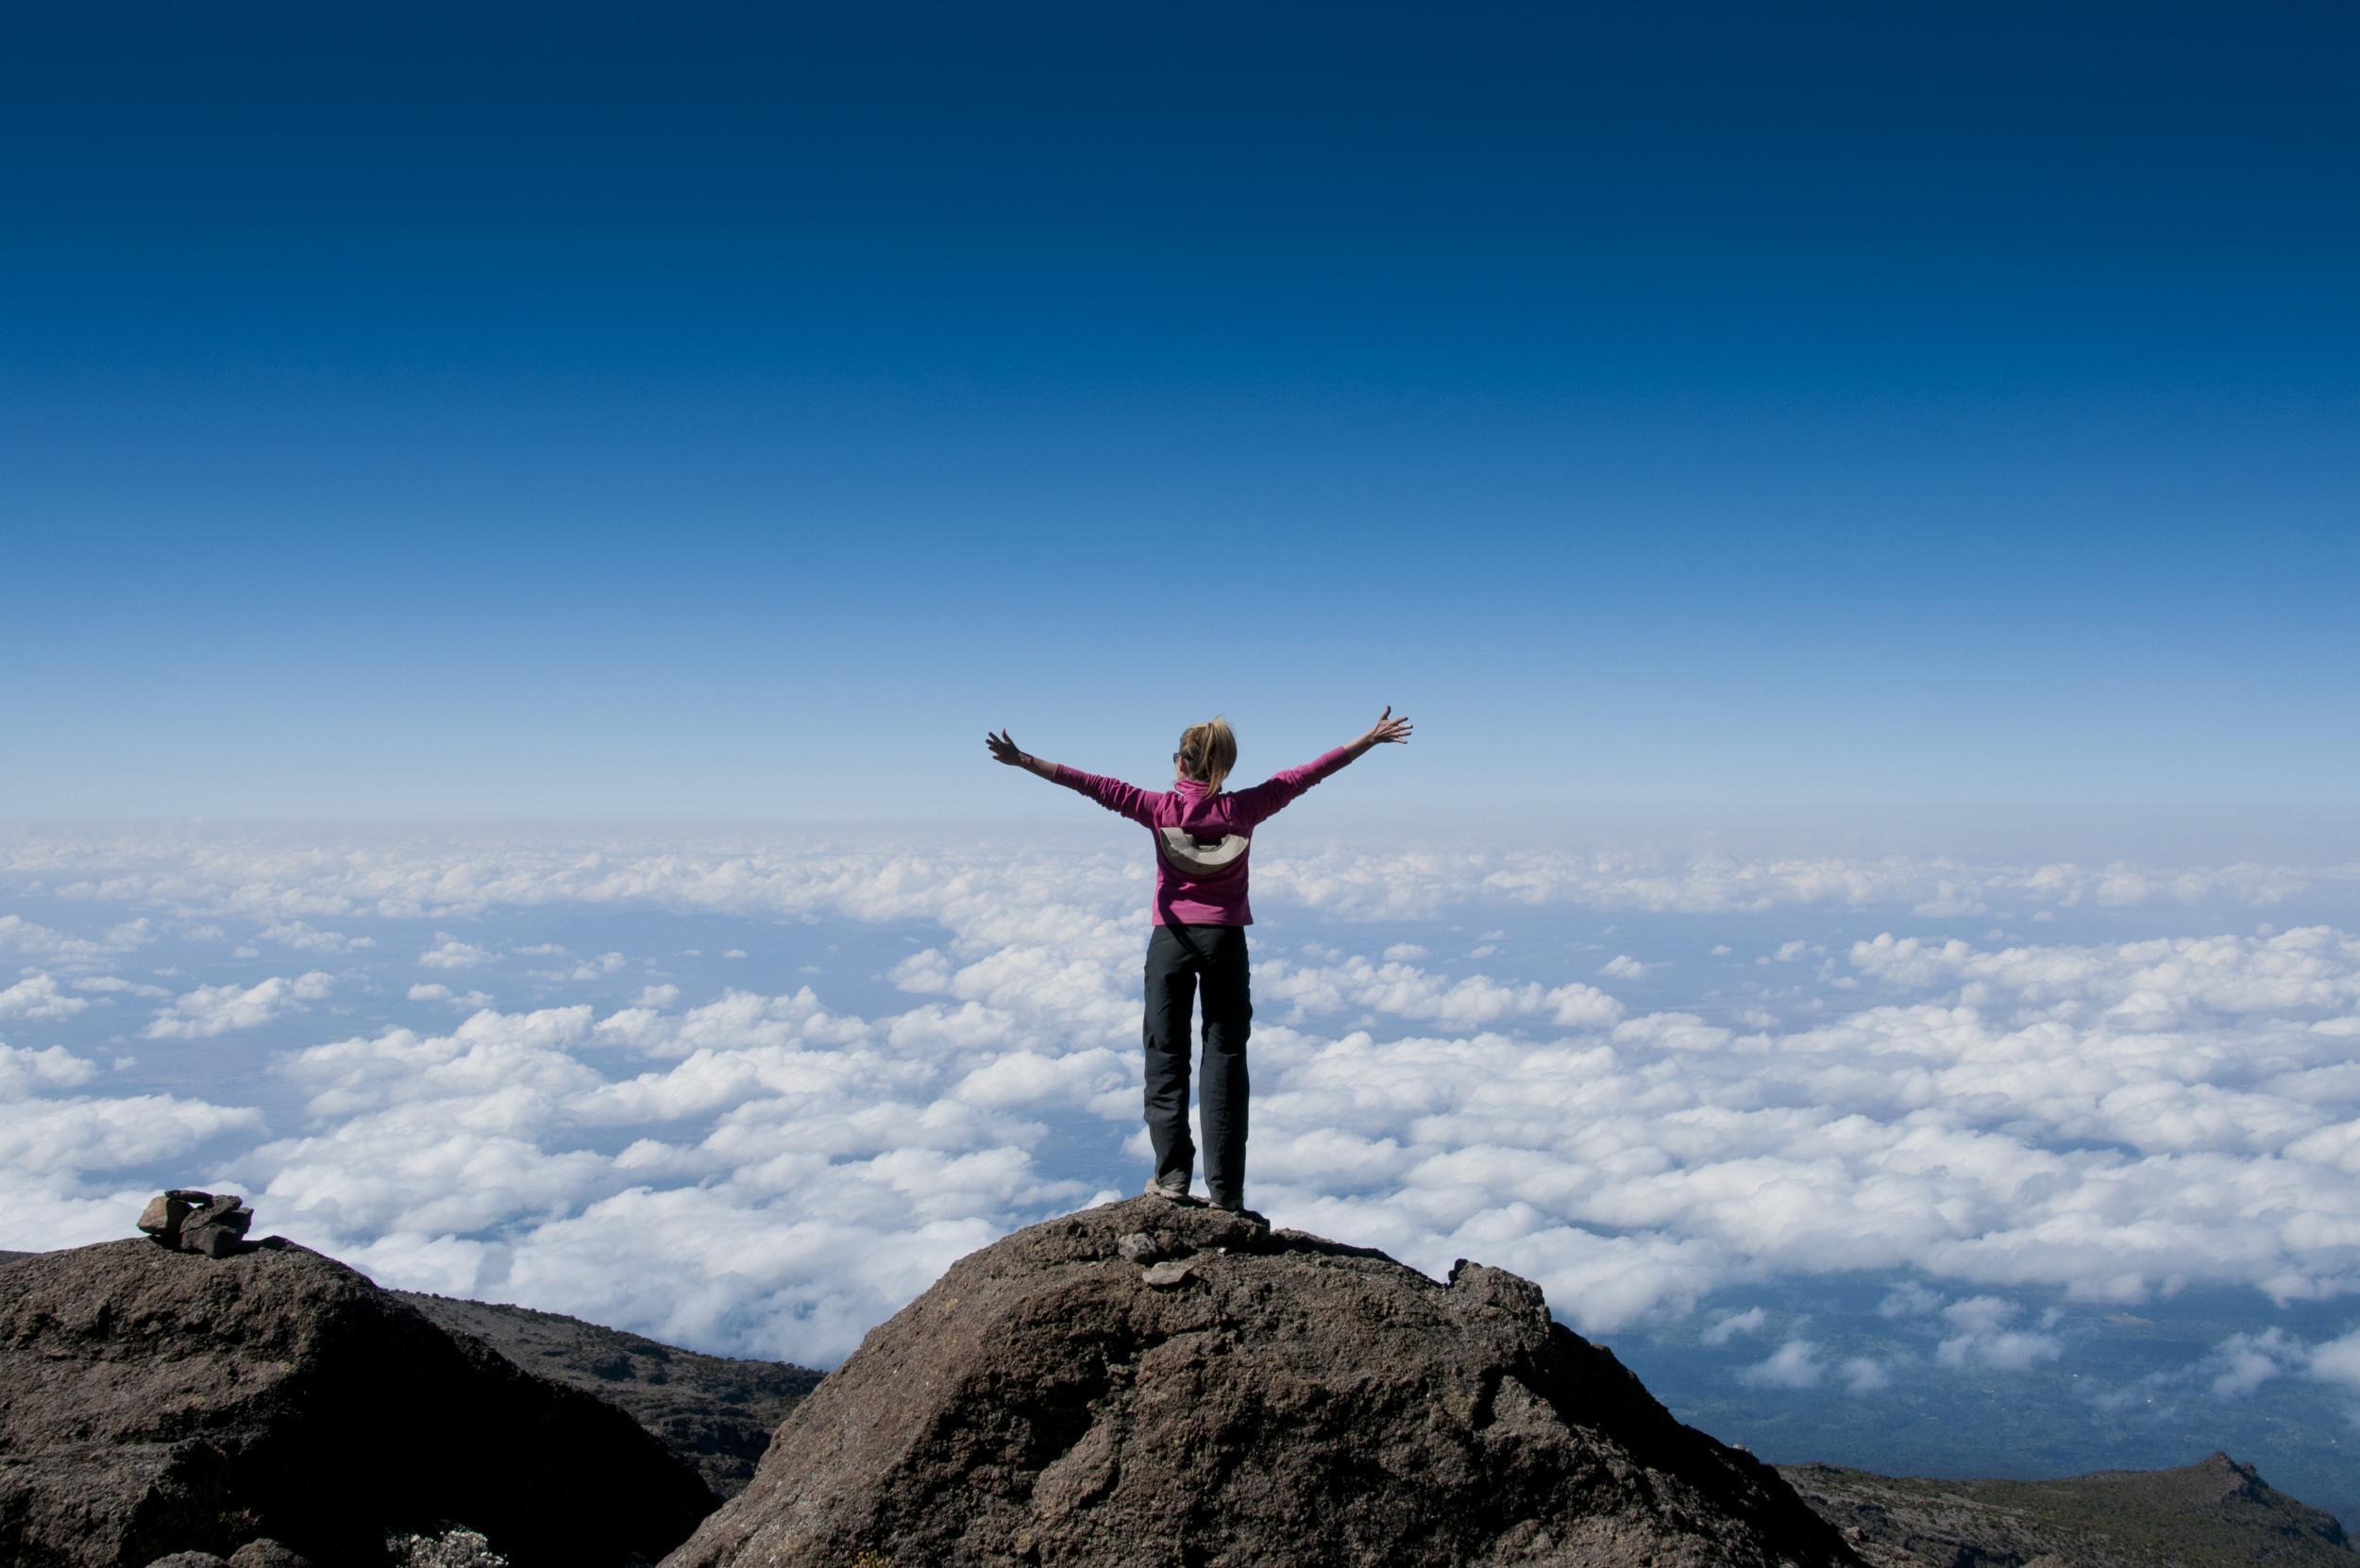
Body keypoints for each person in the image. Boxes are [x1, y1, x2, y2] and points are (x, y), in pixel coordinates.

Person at [984, 708, 1414, 1216]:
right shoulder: (1247, 808)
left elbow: (1089, 784)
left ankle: (1171, 1179)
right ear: (1220, 768)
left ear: (1180, 763)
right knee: (1226, 1060)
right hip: (1226, 943)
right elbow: (1309, 773)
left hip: (1170, 941)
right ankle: (1226, 1194)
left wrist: (1022, 760)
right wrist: (1368, 738)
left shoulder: (1156, 806)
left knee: (1165, 1056)